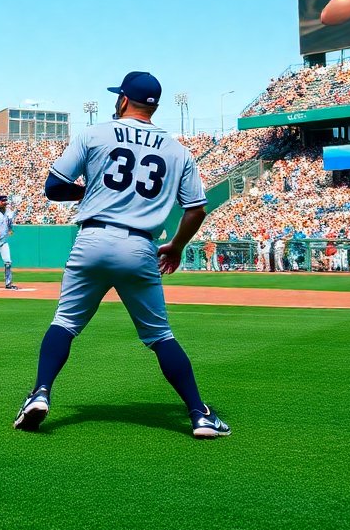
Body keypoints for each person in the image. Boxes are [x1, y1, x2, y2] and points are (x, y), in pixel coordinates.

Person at [13, 71, 229, 439]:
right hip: (140, 245)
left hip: (93, 239)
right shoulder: (178, 150)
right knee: (160, 335)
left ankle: (41, 393)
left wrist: (90, 193)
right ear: (155, 105)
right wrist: (176, 246)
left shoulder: (95, 133)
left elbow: (53, 187)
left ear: (124, 100)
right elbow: (196, 209)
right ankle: (199, 415)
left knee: (64, 324)